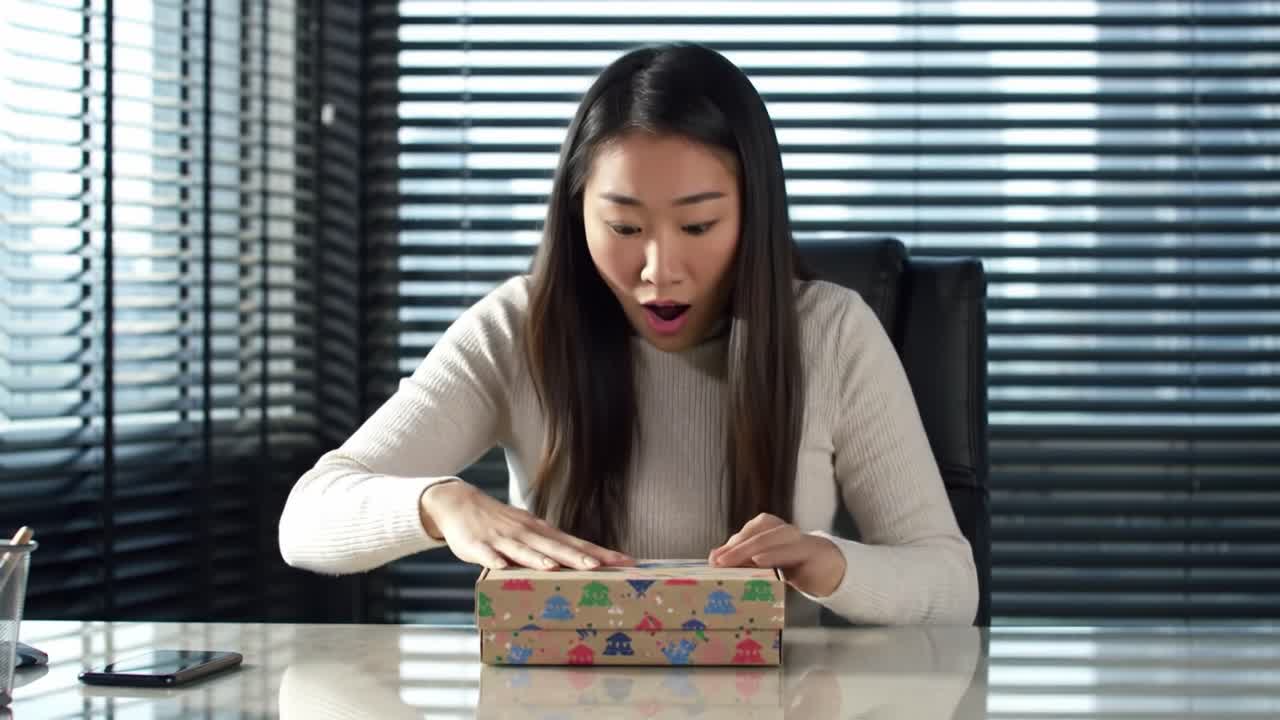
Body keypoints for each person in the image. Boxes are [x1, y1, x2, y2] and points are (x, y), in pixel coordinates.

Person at [279, 43, 977, 626]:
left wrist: (828, 562)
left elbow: (951, 584)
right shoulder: (518, 326)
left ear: (753, 214)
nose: (659, 270)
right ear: (577, 212)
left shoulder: (831, 332)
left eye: (699, 226)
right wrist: (440, 504)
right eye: (623, 227)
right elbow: (305, 521)